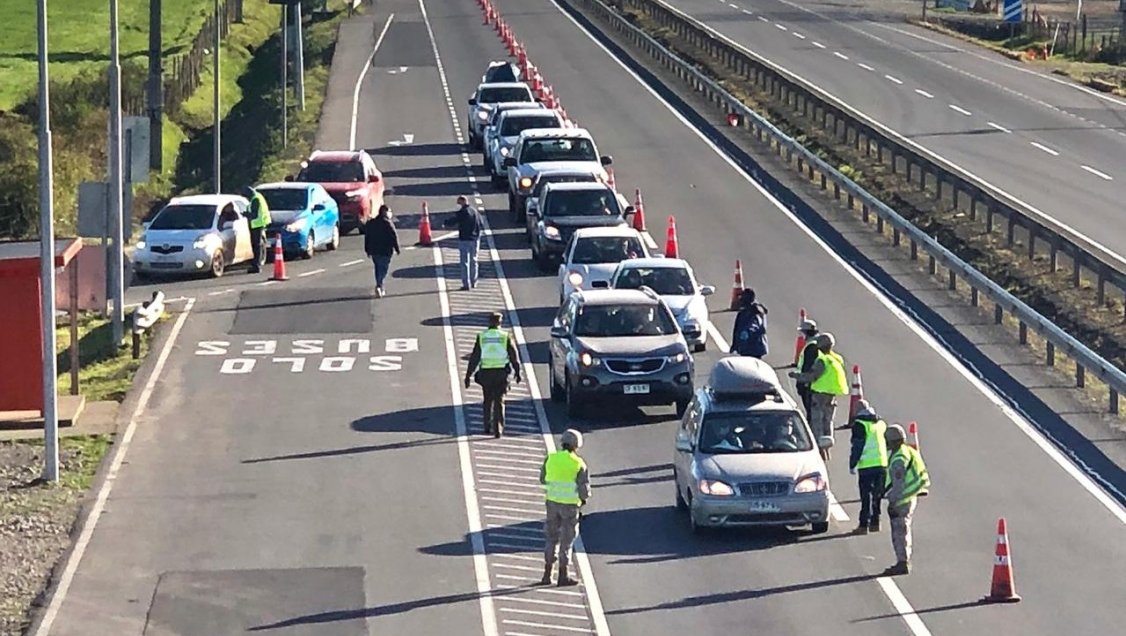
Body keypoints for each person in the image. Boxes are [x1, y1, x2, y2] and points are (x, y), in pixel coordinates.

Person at [539, 429, 590, 587]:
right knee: (567, 541)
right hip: (570, 506)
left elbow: (542, 479)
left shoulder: (551, 458)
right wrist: (583, 500)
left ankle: (547, 573)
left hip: (552, 503)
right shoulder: (578, 463)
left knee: (551, 538)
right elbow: (584, 490)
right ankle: (563, 575)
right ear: (576, 445)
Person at [788, 332, 847, 460]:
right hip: (831, 394)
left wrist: (796, 376)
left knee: (817, 422)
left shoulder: (822, 360)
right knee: (828, 421)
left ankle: (819, 451)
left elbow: (812, 376)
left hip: (819, 394)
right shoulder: (837, 358)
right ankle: (827, 447)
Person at [882, 423, 929, 576]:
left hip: (903, 499)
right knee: (903, 528)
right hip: (911, 495)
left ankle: (902, 562)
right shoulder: (907, 450)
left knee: (900, 530)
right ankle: (903, 561)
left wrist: (893, 502)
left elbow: (898, 484)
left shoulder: (898, 460)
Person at [464, 312, 521, 437]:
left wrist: (468, 375)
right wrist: (517, 371)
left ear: (489, 322)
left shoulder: (482, 336)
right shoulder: (505, 336)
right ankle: (498, 429)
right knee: (499, 400)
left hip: (486, 372)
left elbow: (475, 357)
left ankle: (486, 426)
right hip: (501, 373)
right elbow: (513, 355)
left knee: (487, 399)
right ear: (500, 322)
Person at [848, 400, 888, 535]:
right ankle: (876, 522)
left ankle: (863, 524)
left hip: (867, 466)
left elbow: (857, 447)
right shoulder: (880, 424)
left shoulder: (860, 425)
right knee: (877, 495)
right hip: (882, 464)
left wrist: (852, 463)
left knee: (866, 497)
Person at [444, 195, 484, 290]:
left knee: (464, 262)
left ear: (462, 202)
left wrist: (445, 223)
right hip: (475, 239)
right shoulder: (475, 212)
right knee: (474, 260)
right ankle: (474, 281)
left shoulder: (462, 212)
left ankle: (466, 284)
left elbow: (453, 221)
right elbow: (481, 223)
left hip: (465, 239)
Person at [363, 204, 400, 298]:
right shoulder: (388, 223)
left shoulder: (372, 223)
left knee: (378, 268)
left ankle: (379, 284)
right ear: (385, 212)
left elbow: (367, 237)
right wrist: (397, 248)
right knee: (383, 269)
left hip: (374, 250)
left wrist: (367, 249)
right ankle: (380, 285)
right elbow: (393, 236)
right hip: (385, 251)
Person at [793, 319, 820, 420]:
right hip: (813, 385)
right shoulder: (817, 343)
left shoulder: (811, 346)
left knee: (811, 414)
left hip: (808, 385)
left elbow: (807, 366)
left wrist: (802, 382)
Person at [730, 288, 768, 358]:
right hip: (753, 348)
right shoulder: (753, 310)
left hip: (751, 348)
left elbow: (751, 329)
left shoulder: (751, 312)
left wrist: (741, 340)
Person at [243, 186, 271, 273]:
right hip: (258, 224)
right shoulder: (257, 196)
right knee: (256, 245)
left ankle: (256, 266)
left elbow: (254, 215)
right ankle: (256, 264)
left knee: (256, 246)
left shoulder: (255, 199)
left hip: (257, 224)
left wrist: (245, 214)